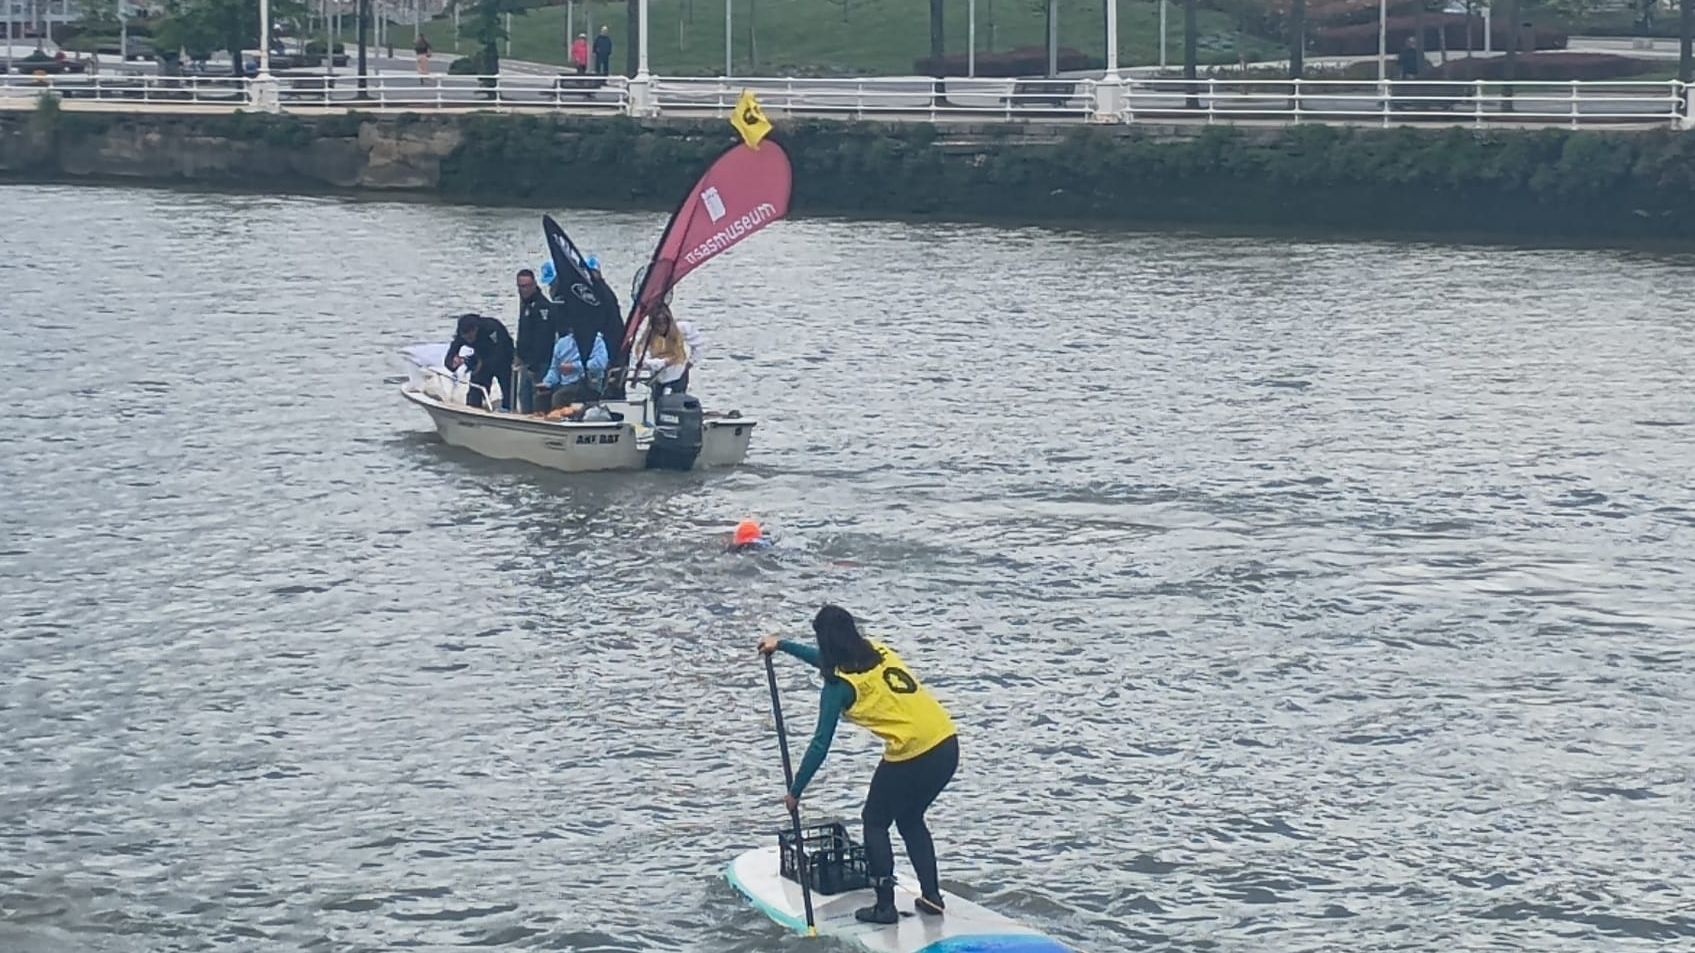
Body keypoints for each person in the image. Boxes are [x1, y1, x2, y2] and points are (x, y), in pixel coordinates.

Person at [758, 606, 959, 924]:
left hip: (913, 752)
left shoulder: (839, 688)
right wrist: (781, 646)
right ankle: (932, 897)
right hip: (946, 743)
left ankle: (884, 907)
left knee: (875, 821)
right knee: (909, 818)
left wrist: (795, 791)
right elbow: (829, 664)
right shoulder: (877, 650)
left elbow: (820, 744)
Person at [445, 313, 516, 410]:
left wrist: (482, 363)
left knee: (507, 388)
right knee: (475, 389)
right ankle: (473, 408)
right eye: (466, 338)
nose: (469, 341)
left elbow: (500, 351)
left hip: (503, 357)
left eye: (470, 337)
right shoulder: (461, 334)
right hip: (481, 356)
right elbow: (452, 351)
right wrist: (452, 363)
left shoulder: (490, 327)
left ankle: (508, 408)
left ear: (476, 329)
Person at [536, 318, 610, 410]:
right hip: (564, 384)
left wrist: (574, 367)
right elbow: (555, 369)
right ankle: (544, 420)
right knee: (541, 397)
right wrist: (547, 382)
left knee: (559, 397)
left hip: (587, 384)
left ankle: (561, 419)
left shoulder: (597, 342)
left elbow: (599, 364)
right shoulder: (562, 343)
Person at [513, 268, 557, 414]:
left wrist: (534, 365)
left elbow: (543, 339)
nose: (523, 290)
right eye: (520, 286)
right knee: (523, 396)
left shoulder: (542, 307)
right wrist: (518, 354)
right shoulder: (525, 304)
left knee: (536, 398)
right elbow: (523, 333)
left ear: (534, 284)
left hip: (539, 364)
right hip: (525, 362)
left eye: (526, 286)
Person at [641, 303, 698, 395]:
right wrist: (662, 363)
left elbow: (698, 344)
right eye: (657, 323)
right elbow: (641, 359)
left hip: (678, 374)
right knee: (658, 402)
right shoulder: (647, 336)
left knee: (676, 401)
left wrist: (691, 361)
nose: (661, 327)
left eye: (664, 322)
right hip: (658, 377)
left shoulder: (682, 328)